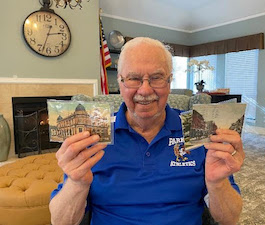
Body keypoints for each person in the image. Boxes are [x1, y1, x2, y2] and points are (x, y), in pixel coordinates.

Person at [49, 37, 244, 225]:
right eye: (134, 78)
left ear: (169, 81)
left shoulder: (198, 129)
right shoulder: (92, 134)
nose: (144, 90)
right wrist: (77, 184)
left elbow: (229, 219)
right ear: (120, 82)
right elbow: (60, 221)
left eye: (156, 78)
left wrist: (217, 184)